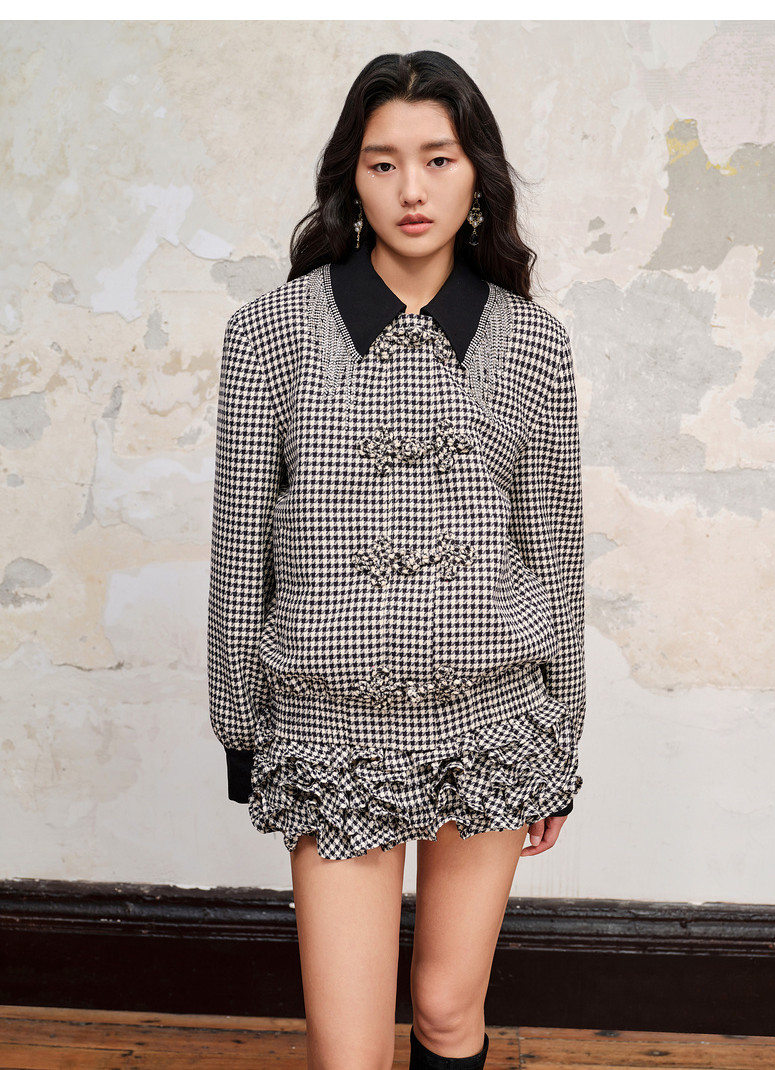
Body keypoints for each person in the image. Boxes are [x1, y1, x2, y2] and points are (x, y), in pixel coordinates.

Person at [207, 50, 585, 1070]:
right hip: (331, 728)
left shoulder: (534, 344)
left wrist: (562, 738)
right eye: (382, 163)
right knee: (348, 1049)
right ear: (351, 178)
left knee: (449, 1011)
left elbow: (555, 552)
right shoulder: (268, 336)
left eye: (437, 159)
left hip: (495, 722)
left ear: (477, 178)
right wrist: (239, 727)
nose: (411, 189)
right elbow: (239, 549)